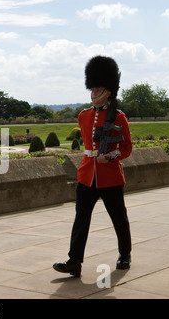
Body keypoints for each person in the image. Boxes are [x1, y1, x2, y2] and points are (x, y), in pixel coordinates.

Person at [53, 55, 133, 277]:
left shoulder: (119, 117)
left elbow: (127, 148)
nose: (94, 92)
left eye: (98, 89)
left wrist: (111, 156)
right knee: (81, 219)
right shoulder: (83, 116)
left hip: (110, 176)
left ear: (108, 91)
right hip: (87, 174)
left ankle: (125, 253)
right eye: (93, 88)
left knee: (118, 217)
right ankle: (74, 261)